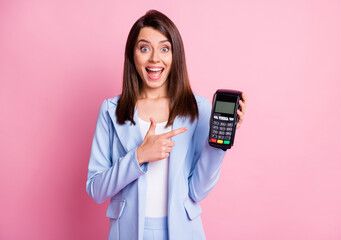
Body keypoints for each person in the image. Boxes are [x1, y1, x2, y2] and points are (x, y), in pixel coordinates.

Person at [86, 9, 247, 240]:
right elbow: (96, 189)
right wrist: (139, 155)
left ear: (175, 55)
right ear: (132, 54)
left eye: (164, 48)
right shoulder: (111, 110)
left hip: (184, 232)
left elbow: (197, 191)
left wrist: (218, 142)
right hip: (128, 233)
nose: (154, 58)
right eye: (144, 48)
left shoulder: (198, 108)